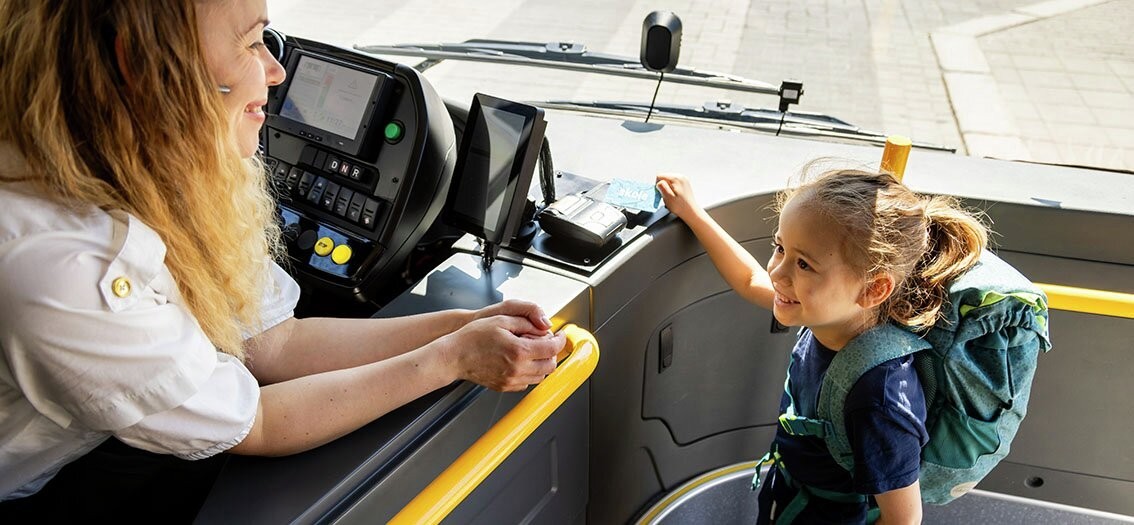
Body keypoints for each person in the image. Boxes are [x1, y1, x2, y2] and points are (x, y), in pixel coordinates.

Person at [0, 0, 566, 519]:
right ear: (139, 65)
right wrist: (453, 360)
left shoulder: (151, 164)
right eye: (251, 43)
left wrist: (460, 326)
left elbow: (276, 343)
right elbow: (260, 421)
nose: (275, 71)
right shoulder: (63, 264)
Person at [656, 167, 988, 524]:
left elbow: (902, 520)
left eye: (803, 264)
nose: (777, 273)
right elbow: (751, 279)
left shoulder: (880, 399)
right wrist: (693, 212)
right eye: (779, 248)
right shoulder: (830, 313)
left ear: (873, 289)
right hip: (791, 497)